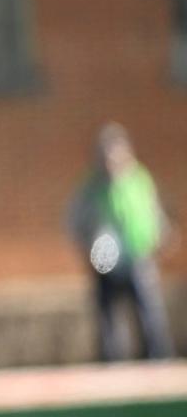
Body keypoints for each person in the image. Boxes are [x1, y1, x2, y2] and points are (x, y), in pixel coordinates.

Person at [67, 122, 176, 361]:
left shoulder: (139, 180)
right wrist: (87, 249)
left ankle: (157, 360)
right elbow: (75, 221)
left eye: (117, 155)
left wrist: (162, 235)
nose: (112, 162)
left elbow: (154, 211)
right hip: (105, 260)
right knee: (108, 318)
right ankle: (111, 364)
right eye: (107, 156)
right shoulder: (92, 187)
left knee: (149, 313)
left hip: (138, 254)